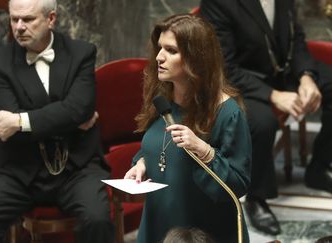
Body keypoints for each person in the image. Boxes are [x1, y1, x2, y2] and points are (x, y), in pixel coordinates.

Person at [0, 0, 114, 242]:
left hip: (76, 165)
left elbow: (80, 109)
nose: (19, 27)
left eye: (28, 19)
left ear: (51, 19)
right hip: (20, 165)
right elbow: (5, 127)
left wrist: (21, 121)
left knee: (97, 220)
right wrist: (68, 118)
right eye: (14, 19)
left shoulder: (81, 52)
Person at [200, 0, 332, 236]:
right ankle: (257, 198)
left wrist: (306, 76)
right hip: (240, 81)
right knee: (262, 122)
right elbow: (223, 66)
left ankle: (318, 168)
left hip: (281, 71)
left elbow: (296, 39)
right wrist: (273, 95)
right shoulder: (218, 3)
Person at [124, 13, 252, 243]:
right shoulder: (161, 99)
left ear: (196, 58)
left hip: (201, 233)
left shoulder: (227, 113)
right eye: (159, 48)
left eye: (171, 50)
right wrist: (142, 163)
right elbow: (157, 147)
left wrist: (203, 150)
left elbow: (237, 186)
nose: (159, 57)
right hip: (157, 222)